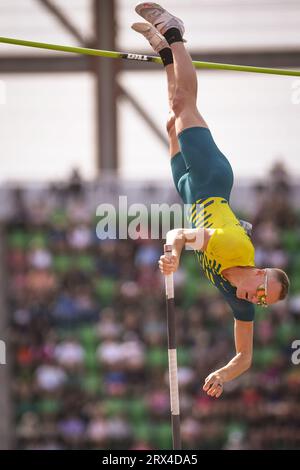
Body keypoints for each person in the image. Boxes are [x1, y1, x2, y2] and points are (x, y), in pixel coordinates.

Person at [132, 3, 290, 398]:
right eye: (262, 289)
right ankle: (175, 35)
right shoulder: (233, 246)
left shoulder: (240, 302)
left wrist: (223, 373)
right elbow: (183, 234)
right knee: (186, 104)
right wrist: (174, 252)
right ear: (261, 271)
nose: (257, 299)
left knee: (173, 115)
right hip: (211, 179)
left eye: (262, 301)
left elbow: (245, 357)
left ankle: (166, 55)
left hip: (190, 191)